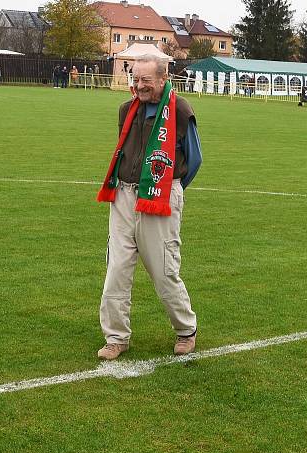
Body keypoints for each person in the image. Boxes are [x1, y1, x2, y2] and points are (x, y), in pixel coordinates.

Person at [95, 54, 203, 360]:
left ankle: (186, 330)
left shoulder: (180, 111)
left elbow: (194, 159)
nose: (139, 86)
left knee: (164, 270)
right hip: (124, 197)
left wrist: (170, 189)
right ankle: (116, 337)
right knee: (116, 268)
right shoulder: (126, 109)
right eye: (135, 79)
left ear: (163, 80)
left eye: (146, 80)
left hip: (161, 197)